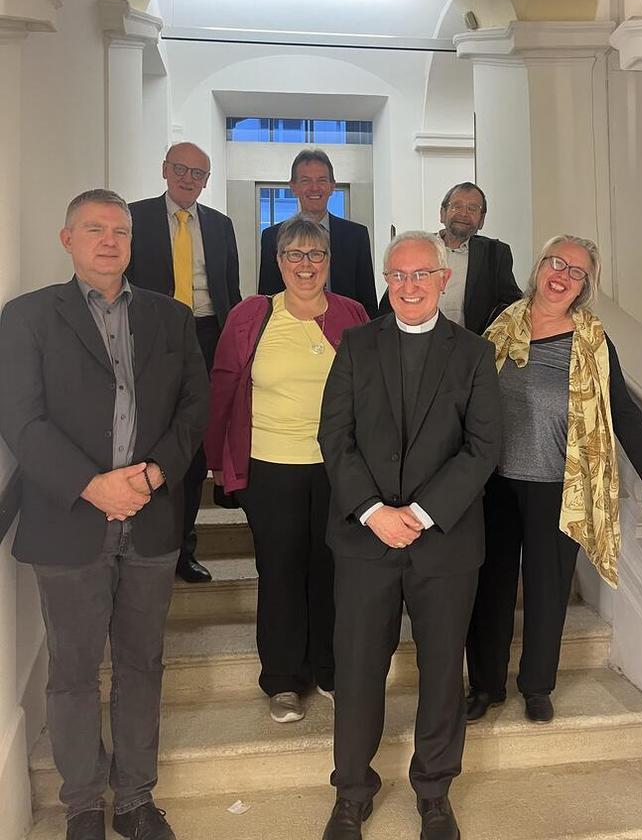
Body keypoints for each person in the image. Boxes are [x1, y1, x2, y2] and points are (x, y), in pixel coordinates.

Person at [0, 189, 209, 840]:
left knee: (143, 665)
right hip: (68, 523)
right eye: (94, 229)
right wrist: (93, 486)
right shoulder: (28, 317)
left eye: (120, 230)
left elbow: (193, 409)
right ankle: (85, 805)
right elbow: (21, 421)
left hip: (150, 517)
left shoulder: (171, 318)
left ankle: (137, 799)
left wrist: (152, 474)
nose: (110, 240)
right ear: (68, 240)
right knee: (73, 673)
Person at [465, 234, 642, 725]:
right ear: (539, 267)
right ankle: (485, 685)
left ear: (585, 286)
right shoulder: (501, 324)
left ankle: (537, 686)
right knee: (491, 586)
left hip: (560, 484)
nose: (563, 276)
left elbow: (622, 408)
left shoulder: (592, 339)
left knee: (548, 589)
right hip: (494, 481)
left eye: (577, 272)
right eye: (557, 263)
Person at [318, 231, 501, 840]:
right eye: (398, 275)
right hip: (364, 538)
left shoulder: (474, 353)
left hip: (444, 542)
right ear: (386, 282)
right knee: (358, 669)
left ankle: (435, 792)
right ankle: (351, 792)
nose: (409, 285)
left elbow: (483, 448)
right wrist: (373, 510)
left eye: (422, 274)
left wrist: (419, 513)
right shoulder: (355, 344)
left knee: (443, 670)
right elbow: (334, 436)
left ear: (444, 280)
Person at [204, 215, 368, 723]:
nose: (305, 264)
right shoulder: (252, 315)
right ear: (278, 262)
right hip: (269, 466)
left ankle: (330, 670)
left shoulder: (352, 314)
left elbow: (373, 392)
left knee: (332, 569)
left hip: (337, 469)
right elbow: (223, 388)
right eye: (294, 254)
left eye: (316, 254)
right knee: (279, 572)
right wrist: (217, 463)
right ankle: (282, 679)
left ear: (329, 262)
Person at [127, 141, 242, 583]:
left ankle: (183, 550)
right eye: (180, 169)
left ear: (207, 181)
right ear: (164, 169)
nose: (188, 179)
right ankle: (145, 542)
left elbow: (230, 289)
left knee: (194, 443)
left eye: (198, 173)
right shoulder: (134, 217)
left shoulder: (220, 225)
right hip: (152, 340)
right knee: (151, 436)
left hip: (208, 335)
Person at [378, 182, 521, 332]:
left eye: (472, 209)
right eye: (456, 206)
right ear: (442, 213)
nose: (463, 214)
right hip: (413, 338)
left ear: (482, 220)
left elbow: (513, 305)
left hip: (470, 342)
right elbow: (392, 298)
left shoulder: (495, 254)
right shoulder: (418, 248)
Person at [258, 148, 378, 318]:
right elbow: (268, 297)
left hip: (346, 328)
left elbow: (367, 301)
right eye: (305, 181)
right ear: (293, 187)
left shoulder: (356, 236)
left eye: (322, 180)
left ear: (332, 186)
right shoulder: (272, 237)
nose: (314, 188)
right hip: (290, 326)